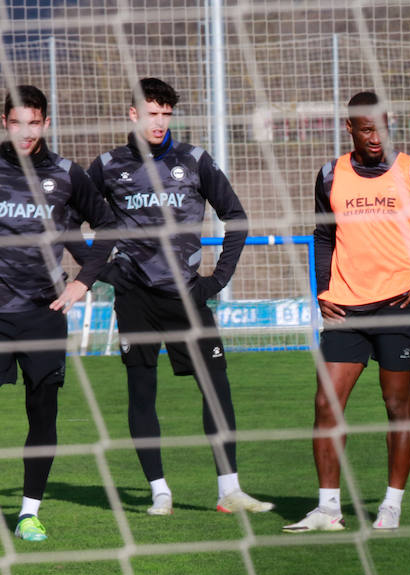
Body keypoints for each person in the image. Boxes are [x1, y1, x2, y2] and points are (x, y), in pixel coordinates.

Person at [284, 91, 410, 532]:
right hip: (346, 309)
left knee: (396, 404)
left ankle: (391, 504)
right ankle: (328, 508)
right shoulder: (330, 175)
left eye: (382, 127)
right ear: (349, 128)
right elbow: (324, 235)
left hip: (397, 306)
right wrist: (322, 288)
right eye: (366, 129)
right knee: (325, 403)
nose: (376, 137)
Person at [89, 77, 269, 517]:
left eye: (166, 114)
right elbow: (72, 222)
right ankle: (159, 492)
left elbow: (237, 219)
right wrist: (108, 273)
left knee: (217, 388)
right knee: (141, 392)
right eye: (152, 113)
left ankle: (230, 489)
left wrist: (217, 279)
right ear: (133, 114)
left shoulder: (193, 160)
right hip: (136, 301)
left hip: (189, 297)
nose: (160, 122)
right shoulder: (108, 166)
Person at [0, 85, 117, 542]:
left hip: (42, 314)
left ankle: (29, 512)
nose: (26, 132)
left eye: (34, 123)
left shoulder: (67, 174)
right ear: (5, 123)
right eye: (16, 123)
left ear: (45, 123)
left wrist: (82, 281)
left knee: (42, 412)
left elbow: (107, 225)